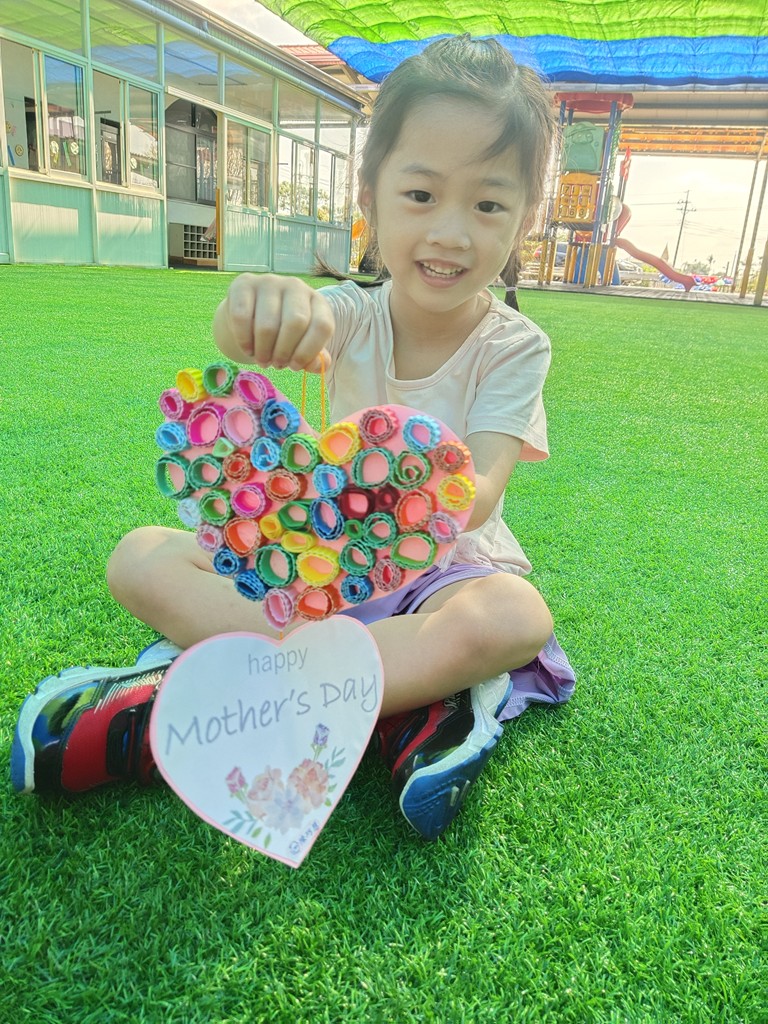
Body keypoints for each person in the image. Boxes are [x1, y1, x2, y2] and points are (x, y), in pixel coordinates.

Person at [11, 36, 575, 841]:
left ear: (525, 219)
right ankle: (404, 706)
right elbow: (259, 330)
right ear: (370, 195)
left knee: (514, 616)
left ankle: (197, 698)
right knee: (139, 556)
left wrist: (396, 490)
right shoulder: (350, 313)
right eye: (421, 194)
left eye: (488, 205)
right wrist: (259, 304)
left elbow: (479, 491)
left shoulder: (515, 346)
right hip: (308, 566)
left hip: (438, 576)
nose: (452, 231)